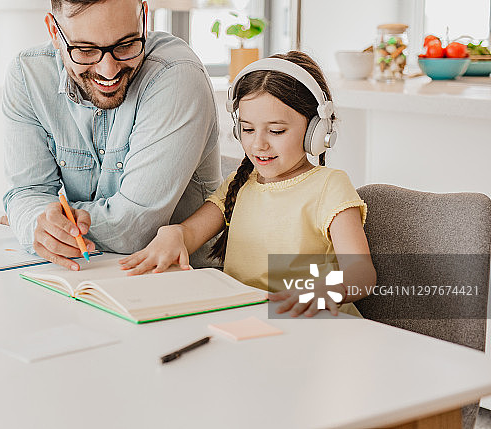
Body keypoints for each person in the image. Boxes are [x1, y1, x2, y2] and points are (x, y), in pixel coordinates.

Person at [2, 0, 221, 271]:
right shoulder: (28, 76)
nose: (109, 70)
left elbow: (134, 226)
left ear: (144, 18)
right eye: (86, 50)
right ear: (53, 31)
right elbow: (28, 192)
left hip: (183, 283)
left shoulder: (176, 77)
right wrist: (35, 218)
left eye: (126, 44)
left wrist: (35, 219)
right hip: (88, 276)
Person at [120, 51, 377, 317]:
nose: (258, 144)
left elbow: (361, 274)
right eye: (247, 129)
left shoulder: (329, 185)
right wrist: (174, 234)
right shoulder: (239, 184)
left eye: (276, 131)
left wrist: (319, 291)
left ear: (316, 131)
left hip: (315, 325)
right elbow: (190, 234)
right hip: (249, 320)